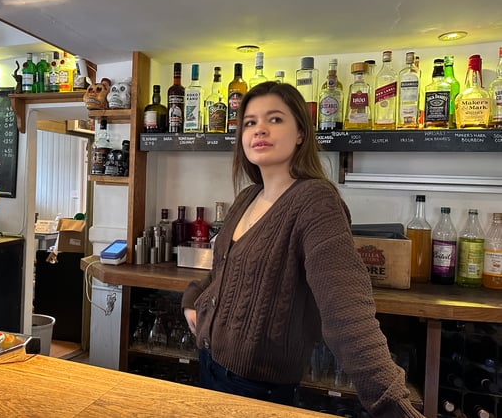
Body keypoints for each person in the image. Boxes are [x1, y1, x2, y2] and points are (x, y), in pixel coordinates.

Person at [181, 82, 423, 418]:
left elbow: (346, 310)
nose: (259, 129)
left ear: (300, 134)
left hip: (257, 387)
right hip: (209, 363)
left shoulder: (315, 201)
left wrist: (392, 403)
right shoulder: (246, 198)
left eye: (275, 119)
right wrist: (193, 300)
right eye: (249, 122)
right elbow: (221, 271)